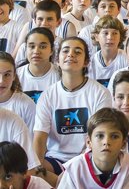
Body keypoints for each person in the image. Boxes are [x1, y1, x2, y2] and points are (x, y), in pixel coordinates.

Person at [33, 37, 111, 175]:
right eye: (66, 50)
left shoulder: (100, 93)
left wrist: (77, 169)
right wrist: (37, 168)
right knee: (34, 171)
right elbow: (39, 137)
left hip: (89, 160)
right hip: (55, 160)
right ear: (57, 60)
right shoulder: (47, 95)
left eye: (78, 51)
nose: (71, 54)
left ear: (86, 62)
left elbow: (100, 135)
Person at [56, 108, 129, 188]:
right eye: (100, 136)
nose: (106, 142)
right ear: (89, 142)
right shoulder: (75, 168)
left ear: (123, 143)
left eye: (114, 136)